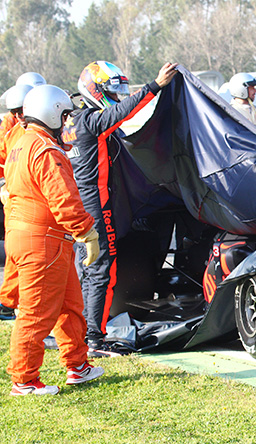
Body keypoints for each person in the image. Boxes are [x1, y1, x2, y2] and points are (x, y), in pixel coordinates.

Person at [62, 60, 178, 354]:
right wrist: (155, 86)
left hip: (76, 208)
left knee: (85, 271)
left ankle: (82, 333)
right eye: (112, 89)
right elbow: (122, 113)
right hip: (94, 209)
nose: (117, 95)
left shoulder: (71, 122)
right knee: (102, 272)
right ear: (93, 89)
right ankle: (93, 339)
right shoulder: (90, 121)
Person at [4, 84, 104, 395]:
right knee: (37, 312)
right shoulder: (45, 150)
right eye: (64, 115)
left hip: (32, 236)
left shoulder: (21, 143)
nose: (66, 122)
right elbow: (64, 198)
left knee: (69, 305)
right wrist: (87, 232)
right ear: (52, 113)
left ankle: (77, 365)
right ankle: (24, 379)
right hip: (43, 240)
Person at [0, 83, 34, 320]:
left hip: (23, 201)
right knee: (19, 255)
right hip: (21, 203)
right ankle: (9, 303)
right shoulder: (15, 134)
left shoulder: (18, 133)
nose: (17, 117)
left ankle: (10, 302)